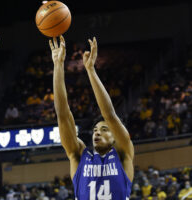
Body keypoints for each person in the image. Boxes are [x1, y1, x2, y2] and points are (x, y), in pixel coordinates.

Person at [49, 36, 134, 199]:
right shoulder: (79, 155)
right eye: (95, 129)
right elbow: (62, 114)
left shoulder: (123, 153)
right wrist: (58, 65)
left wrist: (91, 70)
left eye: (104, 129)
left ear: (115, 137)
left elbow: (109, 114)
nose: (97, 132)